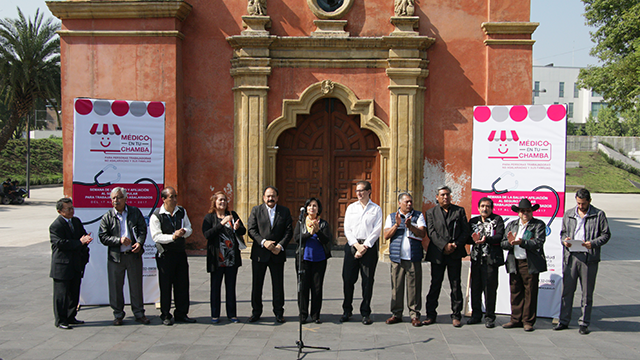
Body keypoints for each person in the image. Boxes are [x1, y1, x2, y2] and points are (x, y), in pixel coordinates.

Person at [554, 188, 610, 335]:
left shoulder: (598, 215)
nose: (580, 206)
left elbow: (606, 234)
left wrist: (593, 243)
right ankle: (564, 320)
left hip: (588, 258)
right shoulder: (569, 214)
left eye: (583, 204)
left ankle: (584, 322)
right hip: (571, 256)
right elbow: (563, 233)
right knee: (567, 291)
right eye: (578, 203)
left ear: (589, 201)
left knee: (586, 293)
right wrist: (564, 241)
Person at [99, 187, 150, 325]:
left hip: (133, 255)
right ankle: (118, 314)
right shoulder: (107, 217)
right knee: (115, 287)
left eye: (119, 197)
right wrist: (118, 240)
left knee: (136, 286)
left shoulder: (134, 212)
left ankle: (139, 313)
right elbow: (103, 237)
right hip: (116, 257)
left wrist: (139, 242)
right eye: (113, 198)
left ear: (126, 199)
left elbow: (142, 229)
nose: (116, 200)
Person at [423, 185, 470, 327]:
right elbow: (431, 232)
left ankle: (456, 315)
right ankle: (431, 314)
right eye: (442, 195)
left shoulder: (459, 211)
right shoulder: (431, 212)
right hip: (438, 253)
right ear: (437, 197)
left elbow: (465, 231)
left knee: (455, 284)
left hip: (455, 253)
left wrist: (455, 244)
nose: (445, 197)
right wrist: (444, 245)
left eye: (447, 194)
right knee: (435, 284)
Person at [149, 187, 195, 326]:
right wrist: (172, 236)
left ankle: (181, 313)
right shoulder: (157, 215)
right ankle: (165, 314)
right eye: (172, 197)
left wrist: (184, 232)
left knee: (182, 284)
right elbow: (156, 236)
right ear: (164, 199)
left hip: (180, 253)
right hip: (165, 254)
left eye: (176, 196)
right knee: (166, 285)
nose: (175, 200)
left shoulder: (181, 211)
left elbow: (189, 228)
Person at [247, 186, 293, 323]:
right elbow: (251, 230)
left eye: (273, 196)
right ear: (263, 197)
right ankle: (256, 312)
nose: (270, 198)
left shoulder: (284, 211)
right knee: (257, 284)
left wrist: (280, 246)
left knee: (278, 285)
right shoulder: (256, 210)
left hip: (277, 253)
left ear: (277, 197)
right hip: (260, 253)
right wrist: (264, 242)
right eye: (268, 196)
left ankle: (279, 312)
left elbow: (289, 231)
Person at [501, 197, 547, 332]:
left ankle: (528, 321)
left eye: (527, 211)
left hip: (529, 263)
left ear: (532, 212)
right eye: (522, 211)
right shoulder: (512, 224)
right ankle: (515, 319)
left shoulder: (538, 225)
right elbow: (503, 243)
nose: (525, 213)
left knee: (530, 293)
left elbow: (538, 242)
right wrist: (510, 243)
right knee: (515, 292)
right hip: (515, 262)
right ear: (518, 212)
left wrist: (521, 242)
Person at [341, 180, 382, 325]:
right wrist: (356, 246)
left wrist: (364, 246)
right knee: (348, 280)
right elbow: (347, 228)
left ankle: (365, 312)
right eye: (357, 190)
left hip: (368, 248)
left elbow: (376, 230)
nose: (358, 193)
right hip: (353, 245)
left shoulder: (376, 209)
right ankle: (347, 310)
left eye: (362, 190)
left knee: (367, 281)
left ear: (369, 191)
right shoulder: (351, 208)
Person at [202, 191, 246, 324]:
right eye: (220, 200)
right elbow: (207, 234)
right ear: (214, 202)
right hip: (217, 259)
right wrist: (221, 224)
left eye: (224, 200)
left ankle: (232, 314)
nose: (222, 202)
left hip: (231, 258)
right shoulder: (209, 217)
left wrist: (238, 227)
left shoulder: (232, 215)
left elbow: (243, 231)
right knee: (215, 287)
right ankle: (215, 314)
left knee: (231, 287)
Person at [383, 192, 426, 327]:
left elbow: (423, 233)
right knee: (396, 287)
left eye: (410, 202)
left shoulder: (418, 216)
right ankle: (396, 314)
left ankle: (414, 314)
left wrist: (410, 226)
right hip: (397, 258)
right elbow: (386, 236)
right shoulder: (391, 217)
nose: (409, 204)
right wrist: (397, 225)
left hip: (413, 257)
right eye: (406, 202)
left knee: (414, 287)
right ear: (399, 203)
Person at [49, 198, 92, 329]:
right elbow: (61, 243)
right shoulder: (56, 226)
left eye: (72, 208)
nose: (72, 211)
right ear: (60, 211)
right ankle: (61, 320)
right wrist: (80, 242)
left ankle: (71, 316)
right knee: (61, 295)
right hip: (62, 266)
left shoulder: (76, 221)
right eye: (68, 209)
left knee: (74, 292)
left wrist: (86, 239)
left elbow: (81, 235)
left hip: (76, 263)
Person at [292, 197, 332, 324]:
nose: (312, 208)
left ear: (318, 208)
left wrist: (318, 231)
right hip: (303, 258)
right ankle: (302, 314)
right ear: (306, 208)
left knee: (317, 288)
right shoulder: (301, 223)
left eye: (314, 206)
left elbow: (327, 239)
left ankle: (316, 315)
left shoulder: (323, 223)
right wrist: (310, 233)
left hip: (319, 259)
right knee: (303, 287)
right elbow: (297, 238)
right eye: (309, 206)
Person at [467, 197, 505, 328]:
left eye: (488, 206)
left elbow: (500, 236)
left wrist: (486, 239)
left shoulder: (497, 220)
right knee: (475, 289)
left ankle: (489, 316)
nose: (485, 208)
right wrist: (473, 239)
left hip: (490, 259)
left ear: (492, 208)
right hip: (477, 259)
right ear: (478, 208)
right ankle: (476, 315)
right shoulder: (473, 221)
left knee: (490, 289)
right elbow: (467, 237)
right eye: (482, 206)